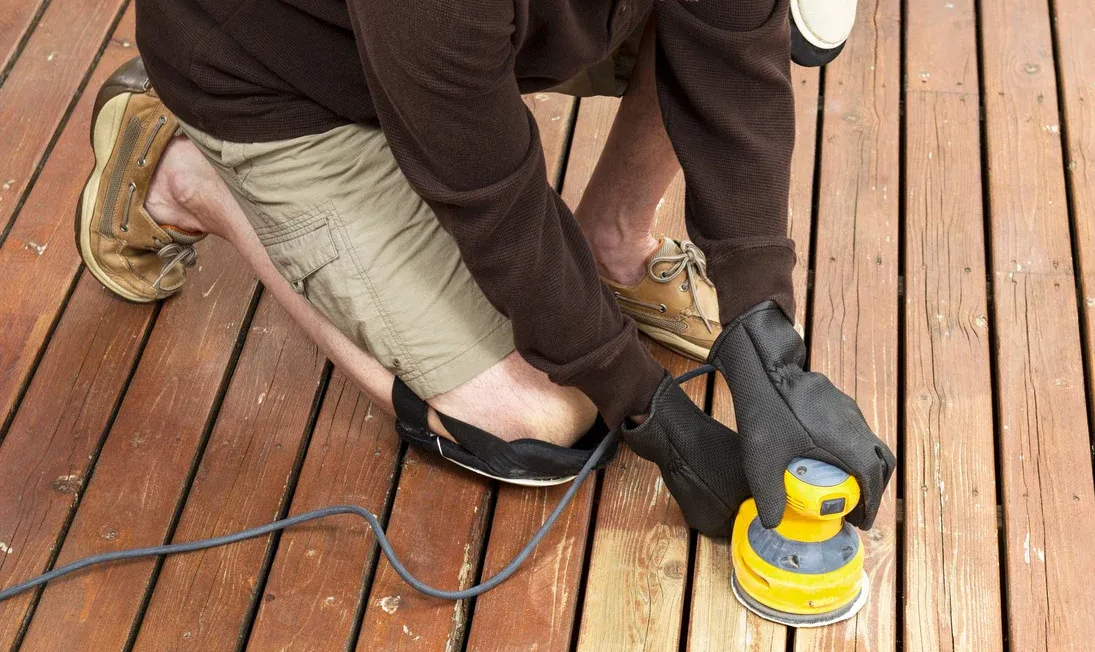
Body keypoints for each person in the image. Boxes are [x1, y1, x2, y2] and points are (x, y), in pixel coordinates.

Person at [78, 0, 892, 539]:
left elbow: (732, 42)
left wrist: (766, 338)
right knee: (539, 421)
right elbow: (500, 212)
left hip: (434, 50)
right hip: (275, 79)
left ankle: (613, 236)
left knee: (769, 14)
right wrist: (654, 418)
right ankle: (191, 180)